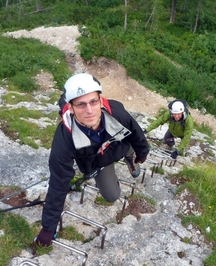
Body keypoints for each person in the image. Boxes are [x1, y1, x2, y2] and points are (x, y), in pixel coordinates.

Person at [36, 73, 149, 246]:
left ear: (100, 100)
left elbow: (136, 132)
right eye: (81, 104)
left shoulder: (116, 113)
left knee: (131, 144)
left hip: (118, 146)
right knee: (112, 196)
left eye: (93, 102)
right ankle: (125, 154)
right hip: (98, 161)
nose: (89, 110)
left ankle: (130, 155)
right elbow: (58, 183)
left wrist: (142, 152)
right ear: (71, 108)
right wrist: (48, 227)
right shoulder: (65, 139)